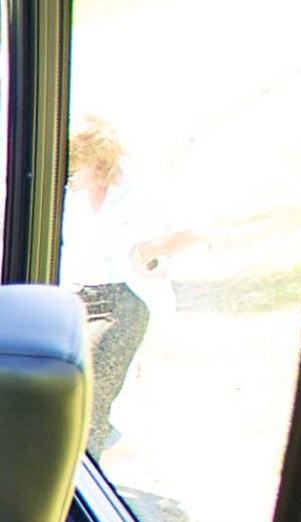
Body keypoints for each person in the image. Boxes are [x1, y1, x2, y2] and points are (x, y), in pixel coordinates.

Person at [60, 117, 204, 453]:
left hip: (123, 299)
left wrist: (151, 250)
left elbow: (195, 235)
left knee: (89, 390)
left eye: (75, 165)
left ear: (98, 160)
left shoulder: (142, 187)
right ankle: (94, 439)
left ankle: (86, 462)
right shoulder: (69, 192)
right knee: (65, 385)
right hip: (72, 296)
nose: (69, 174)